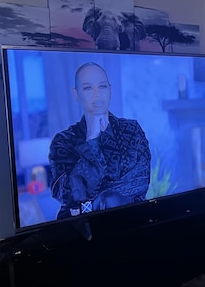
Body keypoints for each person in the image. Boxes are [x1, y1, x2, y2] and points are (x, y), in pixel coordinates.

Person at [48, 62, 151, 219]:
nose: (97, 94)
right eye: (88, 88)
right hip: (80, 230)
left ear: (110, 90)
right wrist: (92, 140)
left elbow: (139, 183)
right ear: (77, 94)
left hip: (131, 221)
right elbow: (67, 195)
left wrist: (99, 197)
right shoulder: (63, 141)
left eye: (102, 86)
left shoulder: (132, 130)